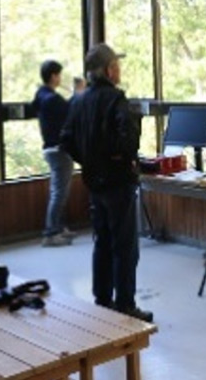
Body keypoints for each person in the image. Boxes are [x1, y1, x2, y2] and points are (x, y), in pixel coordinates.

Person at [60, 43, 153, 323]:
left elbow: (66, 139)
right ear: (109, 70)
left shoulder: (78, 100)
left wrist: (89, 160)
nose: (119, 70)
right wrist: (117, 157)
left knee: (101, 241)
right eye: (117, 65)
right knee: (125, 246)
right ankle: (125, 304)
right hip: (118, 181)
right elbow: (128, 141)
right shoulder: (116, 99)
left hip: (94, 181)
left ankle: (102, 299)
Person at [31, 60, 77, 247]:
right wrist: (77, 94)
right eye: (59, 75)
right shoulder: (52, 99)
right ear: (53, 76)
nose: (60, 78)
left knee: (58, 191)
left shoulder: (40, 95)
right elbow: (70, 110)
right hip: (58, 149)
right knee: (59, 193)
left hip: (50, 149)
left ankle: (58, 228)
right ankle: (51, 233)